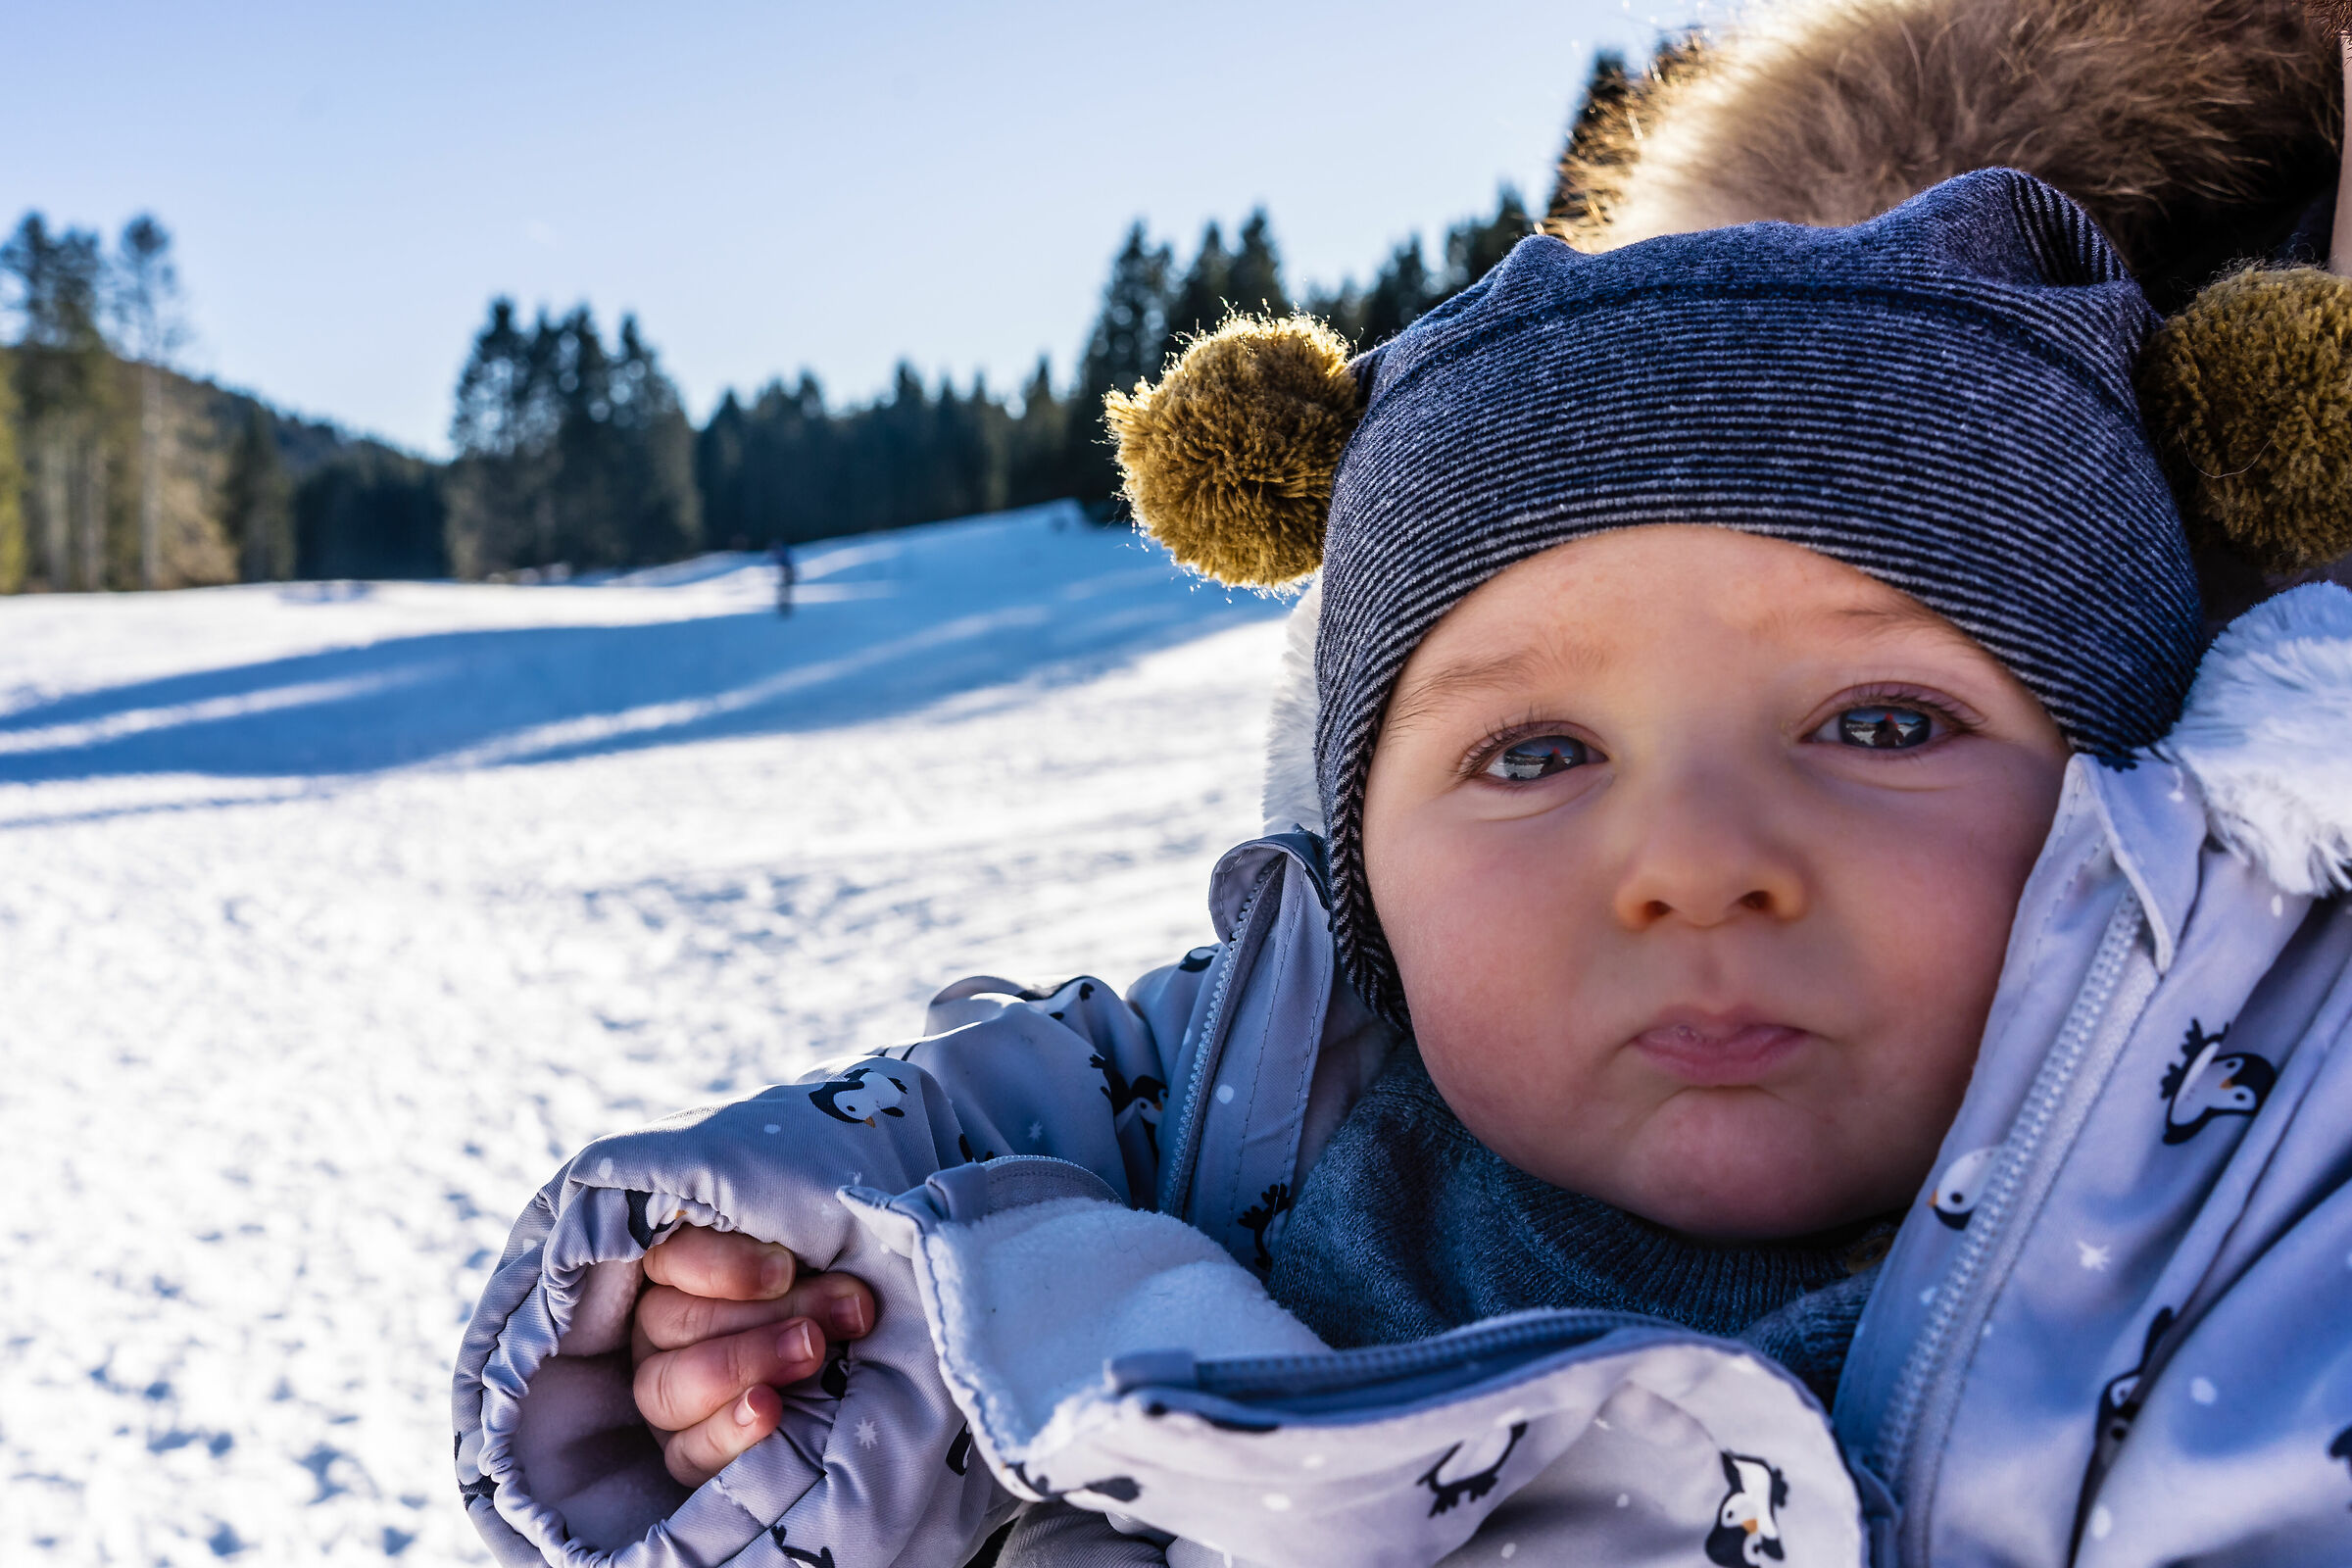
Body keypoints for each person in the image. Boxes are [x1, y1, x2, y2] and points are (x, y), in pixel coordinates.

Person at [453, 171, 2352, 1568]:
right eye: (1533, 753)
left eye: (1879, 720)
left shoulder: (2277, 1237)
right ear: (1360, 872)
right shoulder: (1206, 1133)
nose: (1694, 862)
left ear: (2138, 797)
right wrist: (779, 1396)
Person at [769, 539, 798, 616]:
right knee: (784, 591)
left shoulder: (782, 552)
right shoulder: (783, 551)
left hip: (788, 573)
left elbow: (785, 562)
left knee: (785, 591)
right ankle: (784, 607)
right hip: (787, 573)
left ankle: (785, 607)